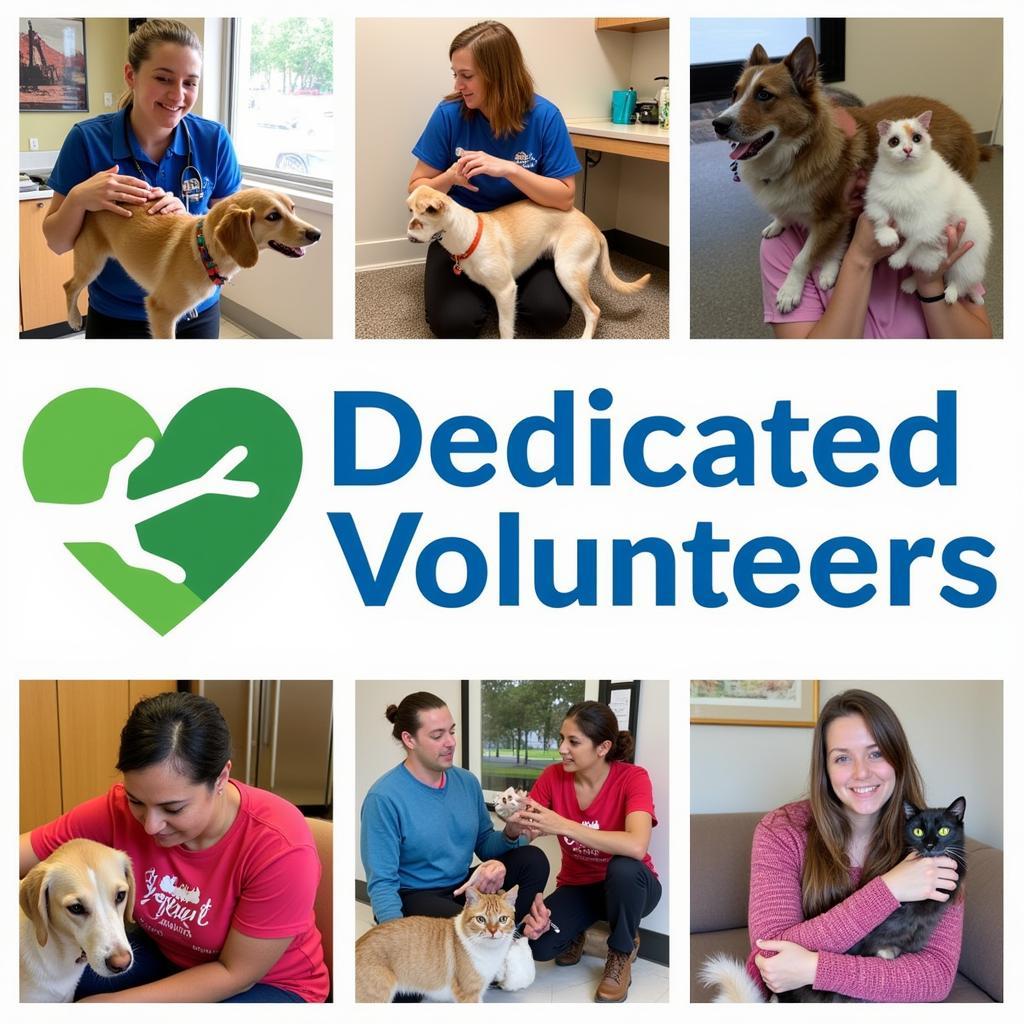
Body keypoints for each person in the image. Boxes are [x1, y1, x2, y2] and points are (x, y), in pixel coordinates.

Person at [19, 692, 328, 1003]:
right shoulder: (118, 812)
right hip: (169, 956)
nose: (150, 825)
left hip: (268, 983)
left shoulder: (280, 846)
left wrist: (109, 1007)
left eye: (174, 808)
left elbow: (236, 974)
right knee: (48, 989)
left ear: (221, 778)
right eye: (136, 800)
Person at [745, 689, 962, 1001]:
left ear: (898, 759)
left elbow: (936, 975)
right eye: (843, 758)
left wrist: (814, 968)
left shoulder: (935, 841)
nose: (862, 772)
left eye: (876, 753)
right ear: (826, 768)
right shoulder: (781, 832)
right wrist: (888, 890)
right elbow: (768, 957)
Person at [43, 19, 242, 339]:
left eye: (190, 83)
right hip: (116, 316)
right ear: (130, 75)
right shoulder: (88, 140)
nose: (178, 94)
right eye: (163, 78)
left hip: (195, 312)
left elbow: (234, 234)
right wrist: (80, 199)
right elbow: (56, 242)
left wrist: (192, 222)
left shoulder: (213, 140)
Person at [408, 21, 582, 338]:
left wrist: (510, 169)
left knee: (549, 315)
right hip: (462, 238)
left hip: (524, 239)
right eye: (455, 74)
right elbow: (416, 188)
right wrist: (450, 177)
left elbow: (565, 197)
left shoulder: (545, 116)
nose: (458, 84)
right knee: (454, 325)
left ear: (498, 74)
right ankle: (488, 286)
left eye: (467, 75)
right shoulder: (448, 114)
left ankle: (496, 284)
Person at [360, 692, 550, 929]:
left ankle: (514, 936)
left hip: (462, 886)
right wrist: (396, 937)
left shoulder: (466, 782)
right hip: (414, 896)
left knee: (533, 860)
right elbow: (382, 883)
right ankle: (496, 947)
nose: (450, 742)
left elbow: (484, 844)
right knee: (463, 929)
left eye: (451, 731)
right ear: (410, 740)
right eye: (437, 735)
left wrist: (510, 833)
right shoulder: (384, 798)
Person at [515, 701, 661, 1003]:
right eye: (561, 738)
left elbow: (637, 845)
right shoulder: (553, 777)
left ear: (603, 747)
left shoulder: (633, 778)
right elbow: (529, 831)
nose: (562, 749)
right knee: (538, 947)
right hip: (578, 887)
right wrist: (518, 820)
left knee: (623, 867)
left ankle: (620, 954)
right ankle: (576, 930)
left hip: (632, 888)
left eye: (573, 741)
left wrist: (565, 825)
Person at [762, 172, 993, 338]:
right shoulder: (784, 245)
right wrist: (860, 258)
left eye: (868, 165)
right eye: (844, 169)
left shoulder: (932, 219)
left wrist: (930, 282)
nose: (861, 182)